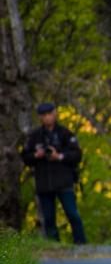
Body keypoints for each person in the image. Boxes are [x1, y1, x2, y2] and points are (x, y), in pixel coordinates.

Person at [20, 103, 87, 244]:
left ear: (55, 113)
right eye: (43, 115)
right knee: (49, 218)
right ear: (40, 117)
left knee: (72, 214)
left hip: (64, 181)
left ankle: (81, 243)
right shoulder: (35, 137)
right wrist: (36, 155)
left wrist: (60, 156)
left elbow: (77, 155)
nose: (47, 118)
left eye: (49, 114)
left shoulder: (65, 134)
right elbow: (25, 157)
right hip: (44, 182)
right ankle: (54, 245)